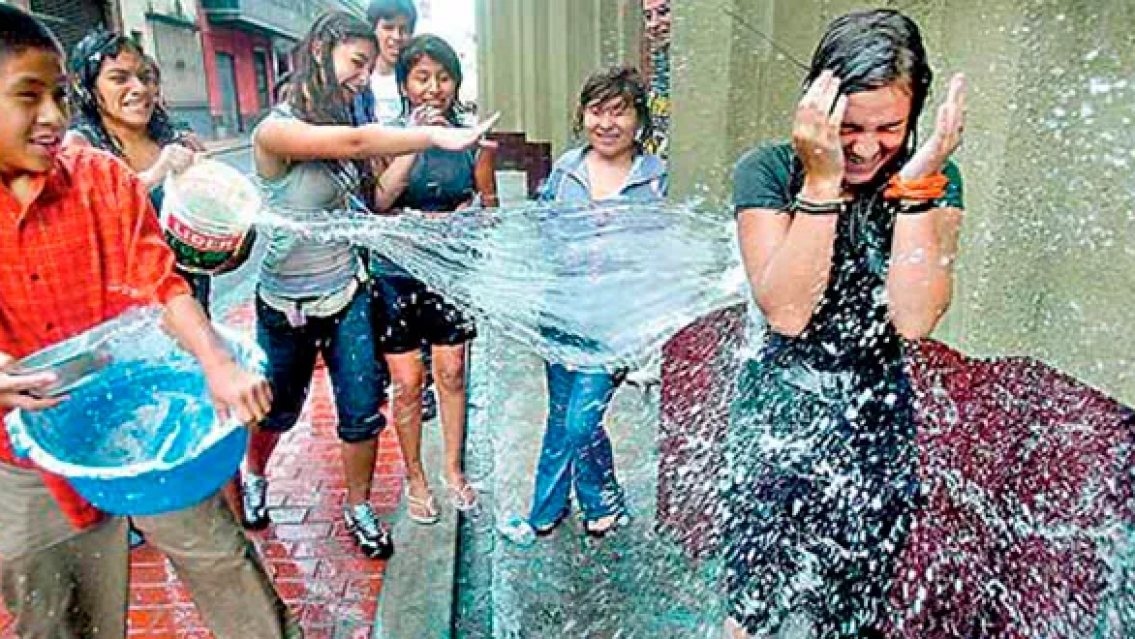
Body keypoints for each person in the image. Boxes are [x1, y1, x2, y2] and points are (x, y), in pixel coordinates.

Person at [0, 6, 298, 637]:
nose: (52, 116)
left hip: (144, 423)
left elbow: (161, 282)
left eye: (58, 95)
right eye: (28, 97)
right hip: (23, 459)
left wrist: (216, 362)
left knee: (227, 569)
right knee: (60, 619)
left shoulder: (103, 180)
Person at [723, 9, 965, 637]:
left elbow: (914, 318)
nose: (864, 147)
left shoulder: (932, 180)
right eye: (849, 126)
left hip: (876, 428)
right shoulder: (767, 171)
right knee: (751, 606)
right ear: (816, 108)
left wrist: (915, 185)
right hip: (778, 419)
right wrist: (822, 179)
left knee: (852, 610)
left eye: (890, 128)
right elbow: (787, 310)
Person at [239, 11, 495, 558]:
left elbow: (374, 201)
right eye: (356, 63)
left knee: (361, 411)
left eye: (367, 66)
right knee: (279, 408)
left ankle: (359, 506)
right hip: (286, 300)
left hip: (348, 291)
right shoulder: (276, 130)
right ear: (319, 52)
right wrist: (432, 133)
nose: (362, 77)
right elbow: (355, 142)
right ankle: (254, 472)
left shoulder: (352, 117)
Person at [502, 66, 668, 544]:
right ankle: (546, 508)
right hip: (560, 317)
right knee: (560, 418)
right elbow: (545, 235)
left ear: (639, 119)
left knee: (581, 421)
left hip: (614, 326)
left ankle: (603, 499)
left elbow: (662, 255)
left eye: (620, 112)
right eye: (597, 111)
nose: (607, 123)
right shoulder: (565, 171)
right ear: (582, 115)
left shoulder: (656, 180)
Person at [369, 34, 498, 524]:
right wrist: (415, 140)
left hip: (452, 270)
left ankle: (453, 470)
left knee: (452, 373)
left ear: (456, 84)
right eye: (421, 78)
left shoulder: (472, 140)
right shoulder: (385, 136)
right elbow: (380, 201)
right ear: (404, 84)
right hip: (395, 273)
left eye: (443, 78)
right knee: (407, 384)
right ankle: (416, 477)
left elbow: (490, 208)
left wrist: (470, 219)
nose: (433, 88)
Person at [63, 30, 249, 313]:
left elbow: (213, 224)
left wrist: (233, 238)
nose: (139, 88)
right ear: (87, 88)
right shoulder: (80, 147)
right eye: (119, 78)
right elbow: (85, 227)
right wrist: (156, 173)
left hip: (189, 300)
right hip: (128, 313)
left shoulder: (179, 141)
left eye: (146, 77)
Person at [356, 0, 416, 126]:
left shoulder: (415, 79)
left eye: (403, 29)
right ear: (372, 29)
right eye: (388, 28)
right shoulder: (355, 77)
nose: (397, 36)